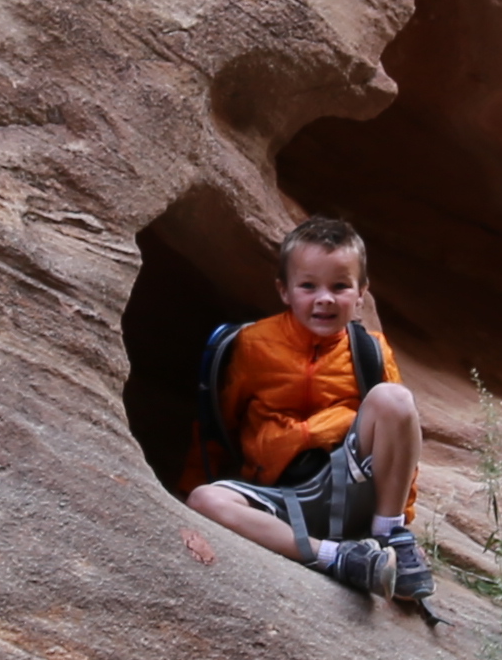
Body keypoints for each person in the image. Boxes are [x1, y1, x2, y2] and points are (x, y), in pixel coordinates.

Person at [184, 215, 437, 613]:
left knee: (396, 400)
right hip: (277, 495)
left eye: (340, 286)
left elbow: (400, 438)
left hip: (348, 484)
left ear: (361, 294)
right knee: (204, 499)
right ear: (284, 291)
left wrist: (401, 518)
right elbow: (217, 426)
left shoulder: (369, 350)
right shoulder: (252, 345)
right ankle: (341, 559)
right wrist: (195, 484)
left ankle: (389, 538)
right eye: (308, 286)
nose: (325, 298)